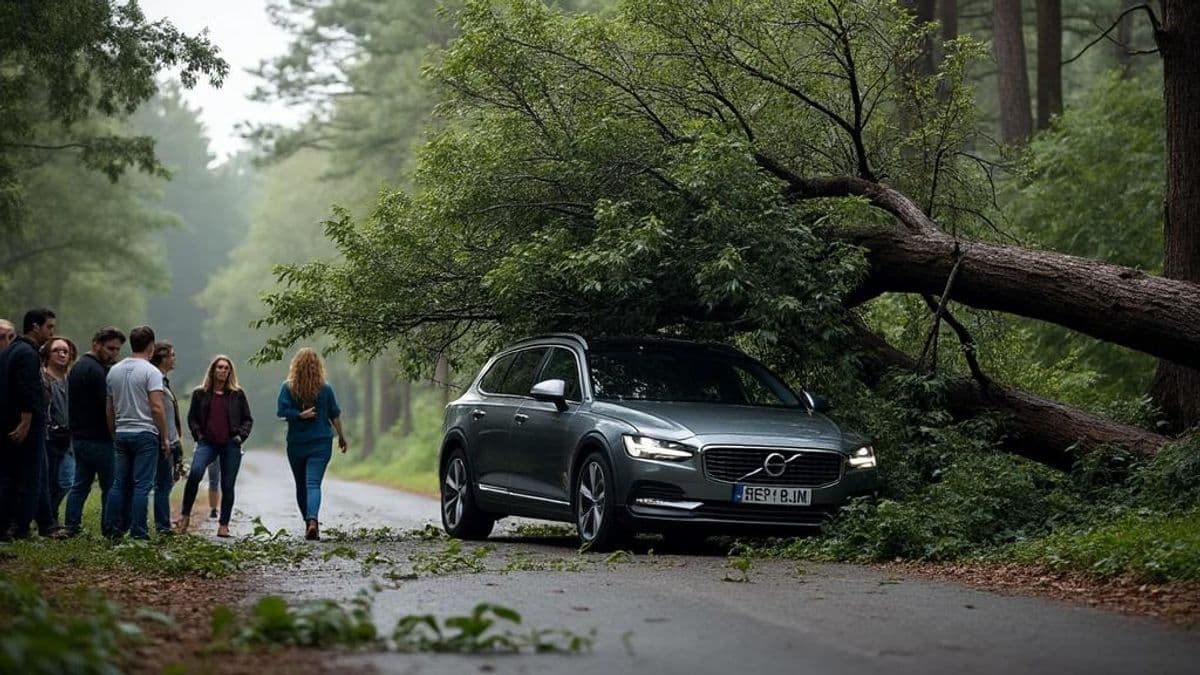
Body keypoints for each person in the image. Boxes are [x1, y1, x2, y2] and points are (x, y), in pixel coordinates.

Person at [103, 326, 170, 541]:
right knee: (142, 485)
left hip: (122, 432)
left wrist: (115, 432)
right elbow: (157, 408)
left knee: (119, 483)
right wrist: (165, 437)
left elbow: (109, 408)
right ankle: (139, 532)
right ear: (151, 346)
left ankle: (113, 530)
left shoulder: (114, 371)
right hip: (145, 434)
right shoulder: (152, 372)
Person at [277, 348, 347, 541]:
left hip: (296, 443)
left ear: (295, 366)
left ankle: (309, 523)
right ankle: (313, 520)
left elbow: (281, 411)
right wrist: (341, 436)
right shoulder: (326, 388)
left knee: (301, 485)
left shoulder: (287, 388)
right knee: (313, 483)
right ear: (318, 366)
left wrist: (297, 416)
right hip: (321, 442)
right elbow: (335, 414)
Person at [179, 355, 252, 537]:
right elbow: (192, 418)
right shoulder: (200, 393)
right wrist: (199, 435)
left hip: (230, 444)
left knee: (228, 485)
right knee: (195, 473)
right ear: (213, 370)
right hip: (207, 443)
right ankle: (185, 516)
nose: (223, 371)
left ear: (230, 372)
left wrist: (240, 437)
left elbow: (247, 419)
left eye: (226, 368)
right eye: (220, 367)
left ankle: (224, 524)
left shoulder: (237, 394)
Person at [0, 308, 56, 541]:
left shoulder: (11, 350)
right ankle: (20, 527)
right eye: (49, 327)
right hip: (26, 426)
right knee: (29, 478)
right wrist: (26, 422)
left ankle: (38, 524)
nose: (52, 333)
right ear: (35, 326)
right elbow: (28, 390)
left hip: (9, 420)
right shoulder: (27, 353)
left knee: (13, 475)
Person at [64, 327, 125, 537]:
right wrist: (114, 434)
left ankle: (71, 527)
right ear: (96, 344)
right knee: (110, 486)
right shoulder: (97, 372)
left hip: (79, 438)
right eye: (110, 348)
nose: (114, 353)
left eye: (117, 349)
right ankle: (110, 531)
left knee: (80, 485)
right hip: (100, 438)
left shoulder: (78, 367)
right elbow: (107, 407)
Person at [39, 336, 77, 531]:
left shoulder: (72, 379)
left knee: (66, 480)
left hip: (69, 438)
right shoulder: (42, 378)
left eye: (66, 351)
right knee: (49, 480)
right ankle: (48, 520)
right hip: (49, 437)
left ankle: (51, 516)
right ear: (48, 353)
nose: (62, 354)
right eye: (57, 350)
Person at [150, 342, 183, 537]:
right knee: (162, 484)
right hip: (162, 440)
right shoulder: (156, 383)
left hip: (170, 439)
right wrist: (167, 439)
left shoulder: (163, 381)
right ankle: (162, 527)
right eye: (172, 355)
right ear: (162, 357)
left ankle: (163, 523)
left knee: (166, 483)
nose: (174, 358)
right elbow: (158, 412)